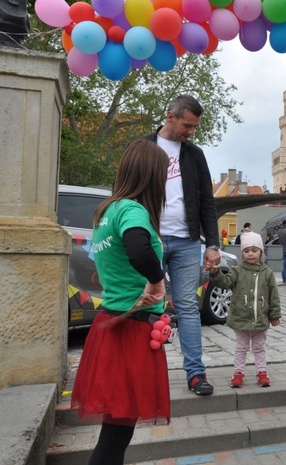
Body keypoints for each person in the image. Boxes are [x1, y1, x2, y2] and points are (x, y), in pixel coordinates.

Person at [71, 139, 170, 465]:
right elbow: (139, 249)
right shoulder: (131, 209)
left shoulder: (107, 211)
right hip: (129, 331)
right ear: (150, 175)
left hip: (113, 326)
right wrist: (157, 281)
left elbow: (113, 261)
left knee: (116, 433)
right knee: (115, 437)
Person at [146, 94, 221, 396]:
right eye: (187, 125)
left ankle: (195, 374)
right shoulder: (144, 148)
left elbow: (206, 201)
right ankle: (145, 374)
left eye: (195, 127)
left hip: (188, 242)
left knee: (189, 307)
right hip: (150, 239)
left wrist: (213, 244)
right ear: (170, 116)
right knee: (146, 304)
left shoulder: (195, 155)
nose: (191, 132)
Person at [207, 231, 281, 388]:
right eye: (246, 251)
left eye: (254, 250)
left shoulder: (267, 273)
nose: (250, 254)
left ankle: (262, 372)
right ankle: (238, 373)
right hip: (241, 317)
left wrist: (274, 314)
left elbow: (273, 295)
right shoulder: (237, 270)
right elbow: (225, 283)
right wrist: (215, 272)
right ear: (242, 253)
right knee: (241, 348)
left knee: (259, 348)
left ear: (261, 252)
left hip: (260, 318)